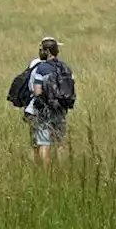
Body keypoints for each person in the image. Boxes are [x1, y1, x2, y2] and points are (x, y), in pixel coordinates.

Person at [26, 37, 74, 166]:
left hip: (44, 111)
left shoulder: (42, 68)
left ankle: (46, 173)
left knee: (44, 143)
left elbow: (37, 91)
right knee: (60, 143)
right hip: (60, 110)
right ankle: (60, 171)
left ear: (47, 51)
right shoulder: (66, 68)